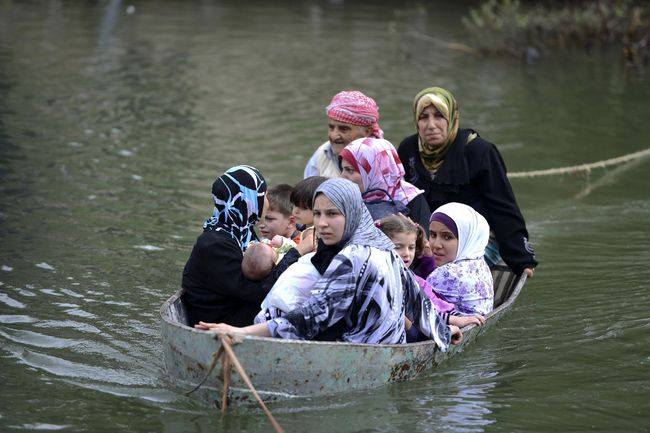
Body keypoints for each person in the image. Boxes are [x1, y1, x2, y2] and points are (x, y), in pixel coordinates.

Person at [196, 178, 462, 349]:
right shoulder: (383, 246)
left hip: (362, 353)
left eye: (333, 214)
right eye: (319, 213)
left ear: (353, 212)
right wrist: (443, 331)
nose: (322, 223)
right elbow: (417, 302)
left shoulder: (353, 256)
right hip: (389, 344)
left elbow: (312, 316)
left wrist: (241, 331)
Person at [397, 86, 537, 277]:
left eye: (439, 116)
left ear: (452, 117)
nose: (430, 125)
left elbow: (504, 208)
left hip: (477, 238)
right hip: (429, 237)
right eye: (423, 117)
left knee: (446, 275)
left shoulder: (479, 151)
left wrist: (522, 259)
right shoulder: (408, 150)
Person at [181, 165, 314, 327]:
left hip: (238, 307)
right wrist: (297, 252)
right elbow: (257, 292)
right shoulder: (215, 244)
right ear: (249, 200)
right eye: (263, 196)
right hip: (218, 321)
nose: (266, 202)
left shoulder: (241, 231)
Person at [376, 214, 486, 331]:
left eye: (411, 247)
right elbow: (421, 310)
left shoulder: (409, 275)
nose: (406, 253)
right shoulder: (385, 277)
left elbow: (432, 299)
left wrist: (456, 316)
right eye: (398, 247)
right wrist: (455, 320)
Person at [339, 137, 431, 233]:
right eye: (343, 169)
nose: (342, 176)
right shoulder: (343, 199)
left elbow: (422, 241)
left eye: (350, 170)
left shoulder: (410, 199)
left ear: (374, 171)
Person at [426, 202, 494, 316]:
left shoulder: (448, 273)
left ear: (466, 238)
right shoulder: (479, 262)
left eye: (447, 237)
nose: (436, 245)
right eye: (433, 235)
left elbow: (415, 302)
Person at [304, 90, 384, 178]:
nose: (334, 136)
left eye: (344, 129)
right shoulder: (322, 153)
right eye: (331, 127)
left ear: (367, 132)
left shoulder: (382, 160)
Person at [289, 176, 328, 243]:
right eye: (295, 205)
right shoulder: (304, 228)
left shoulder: (312, 234)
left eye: (304, 208)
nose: (296, 211)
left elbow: (300, 251)